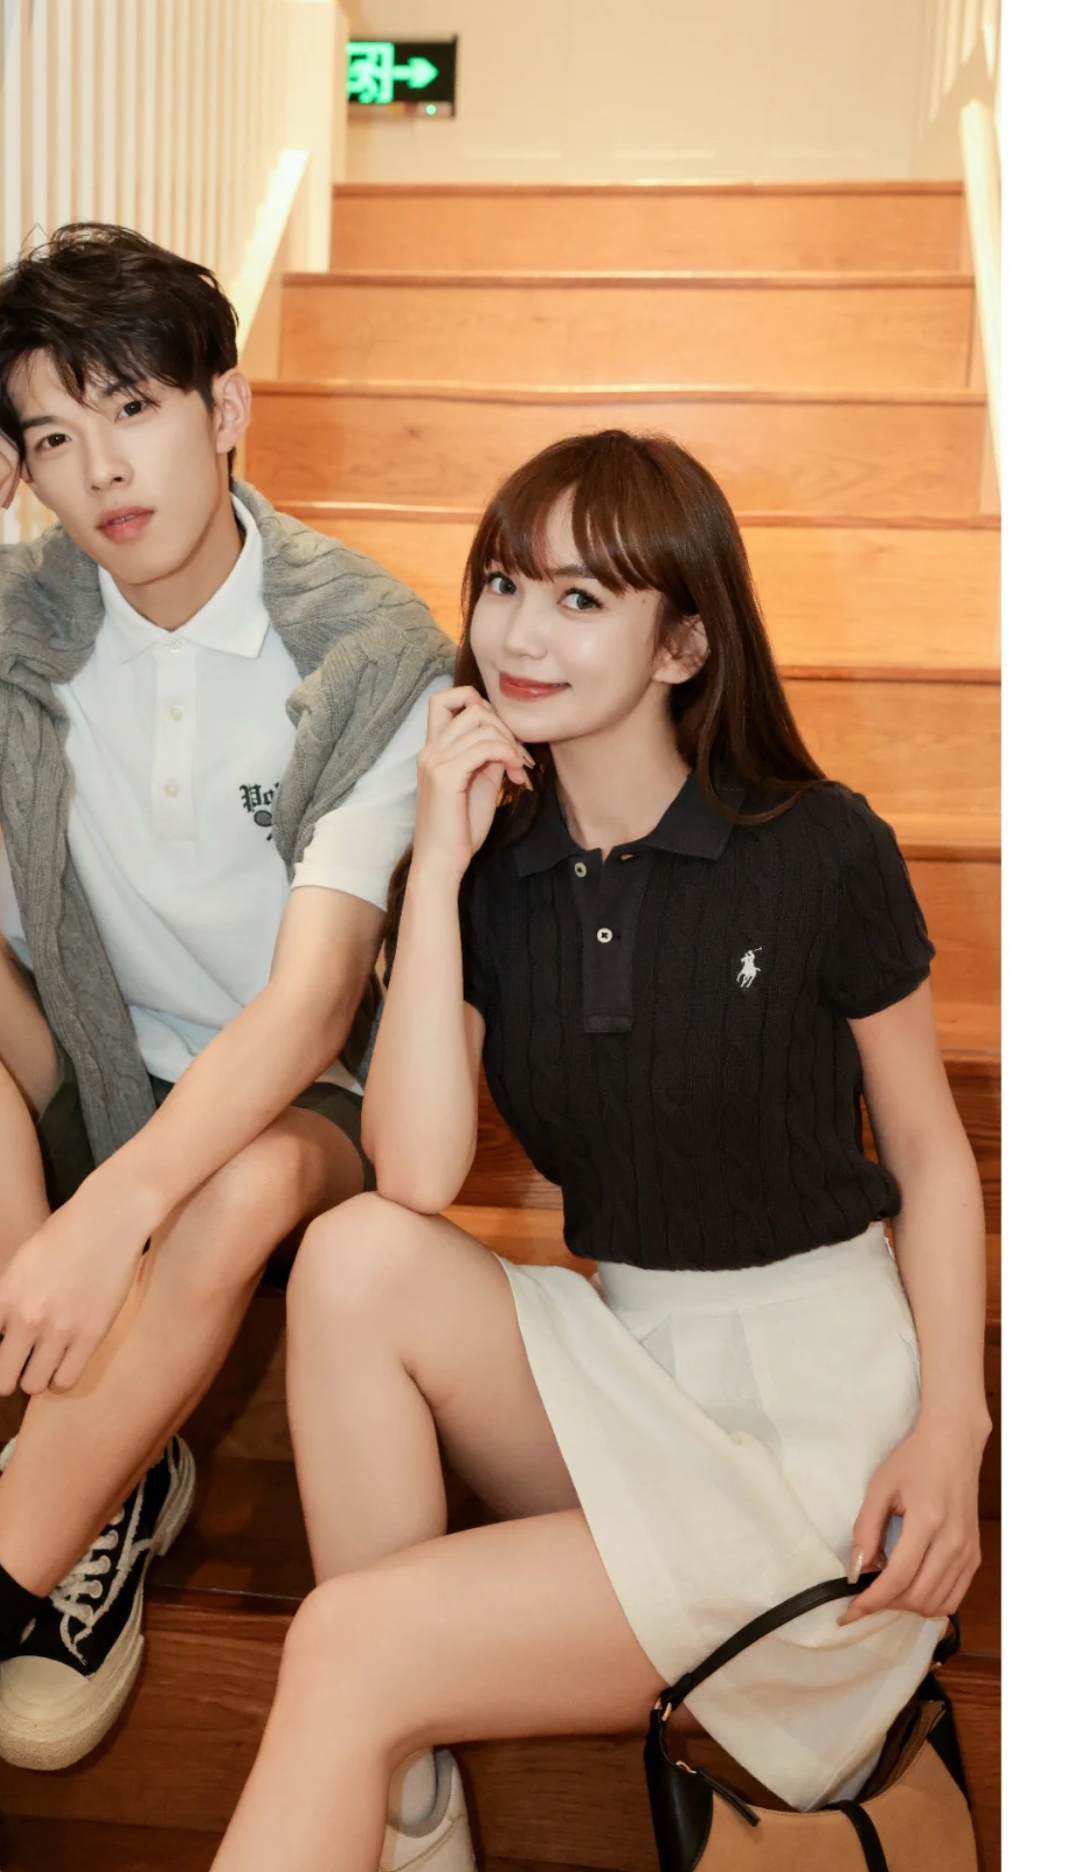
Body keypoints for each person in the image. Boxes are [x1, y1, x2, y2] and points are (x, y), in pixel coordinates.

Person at [207, 430, 990, 1872]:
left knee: (349, 1643)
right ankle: (403, 1776)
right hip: (635, 1376)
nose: (520, 632)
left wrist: (955, 1430)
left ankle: (396, 1777)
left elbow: (936, 1162)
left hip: (820, 1429)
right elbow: (415, 1175)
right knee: (356, 1253)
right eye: (504, 584)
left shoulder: (821, 849)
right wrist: (437, 865)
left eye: (581, 599)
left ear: (684, 644)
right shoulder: (493, 882)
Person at [0, 223, 454, 1872]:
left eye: (134, 408)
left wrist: (106, 1220)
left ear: (224, 408)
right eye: (49, 436)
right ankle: (117, 1453)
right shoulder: (10, 611)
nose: (99, 470)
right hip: (96, 1063)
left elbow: (315, 1005)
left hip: (298, 1097)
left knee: (231, 1195)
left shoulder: (365, 642)